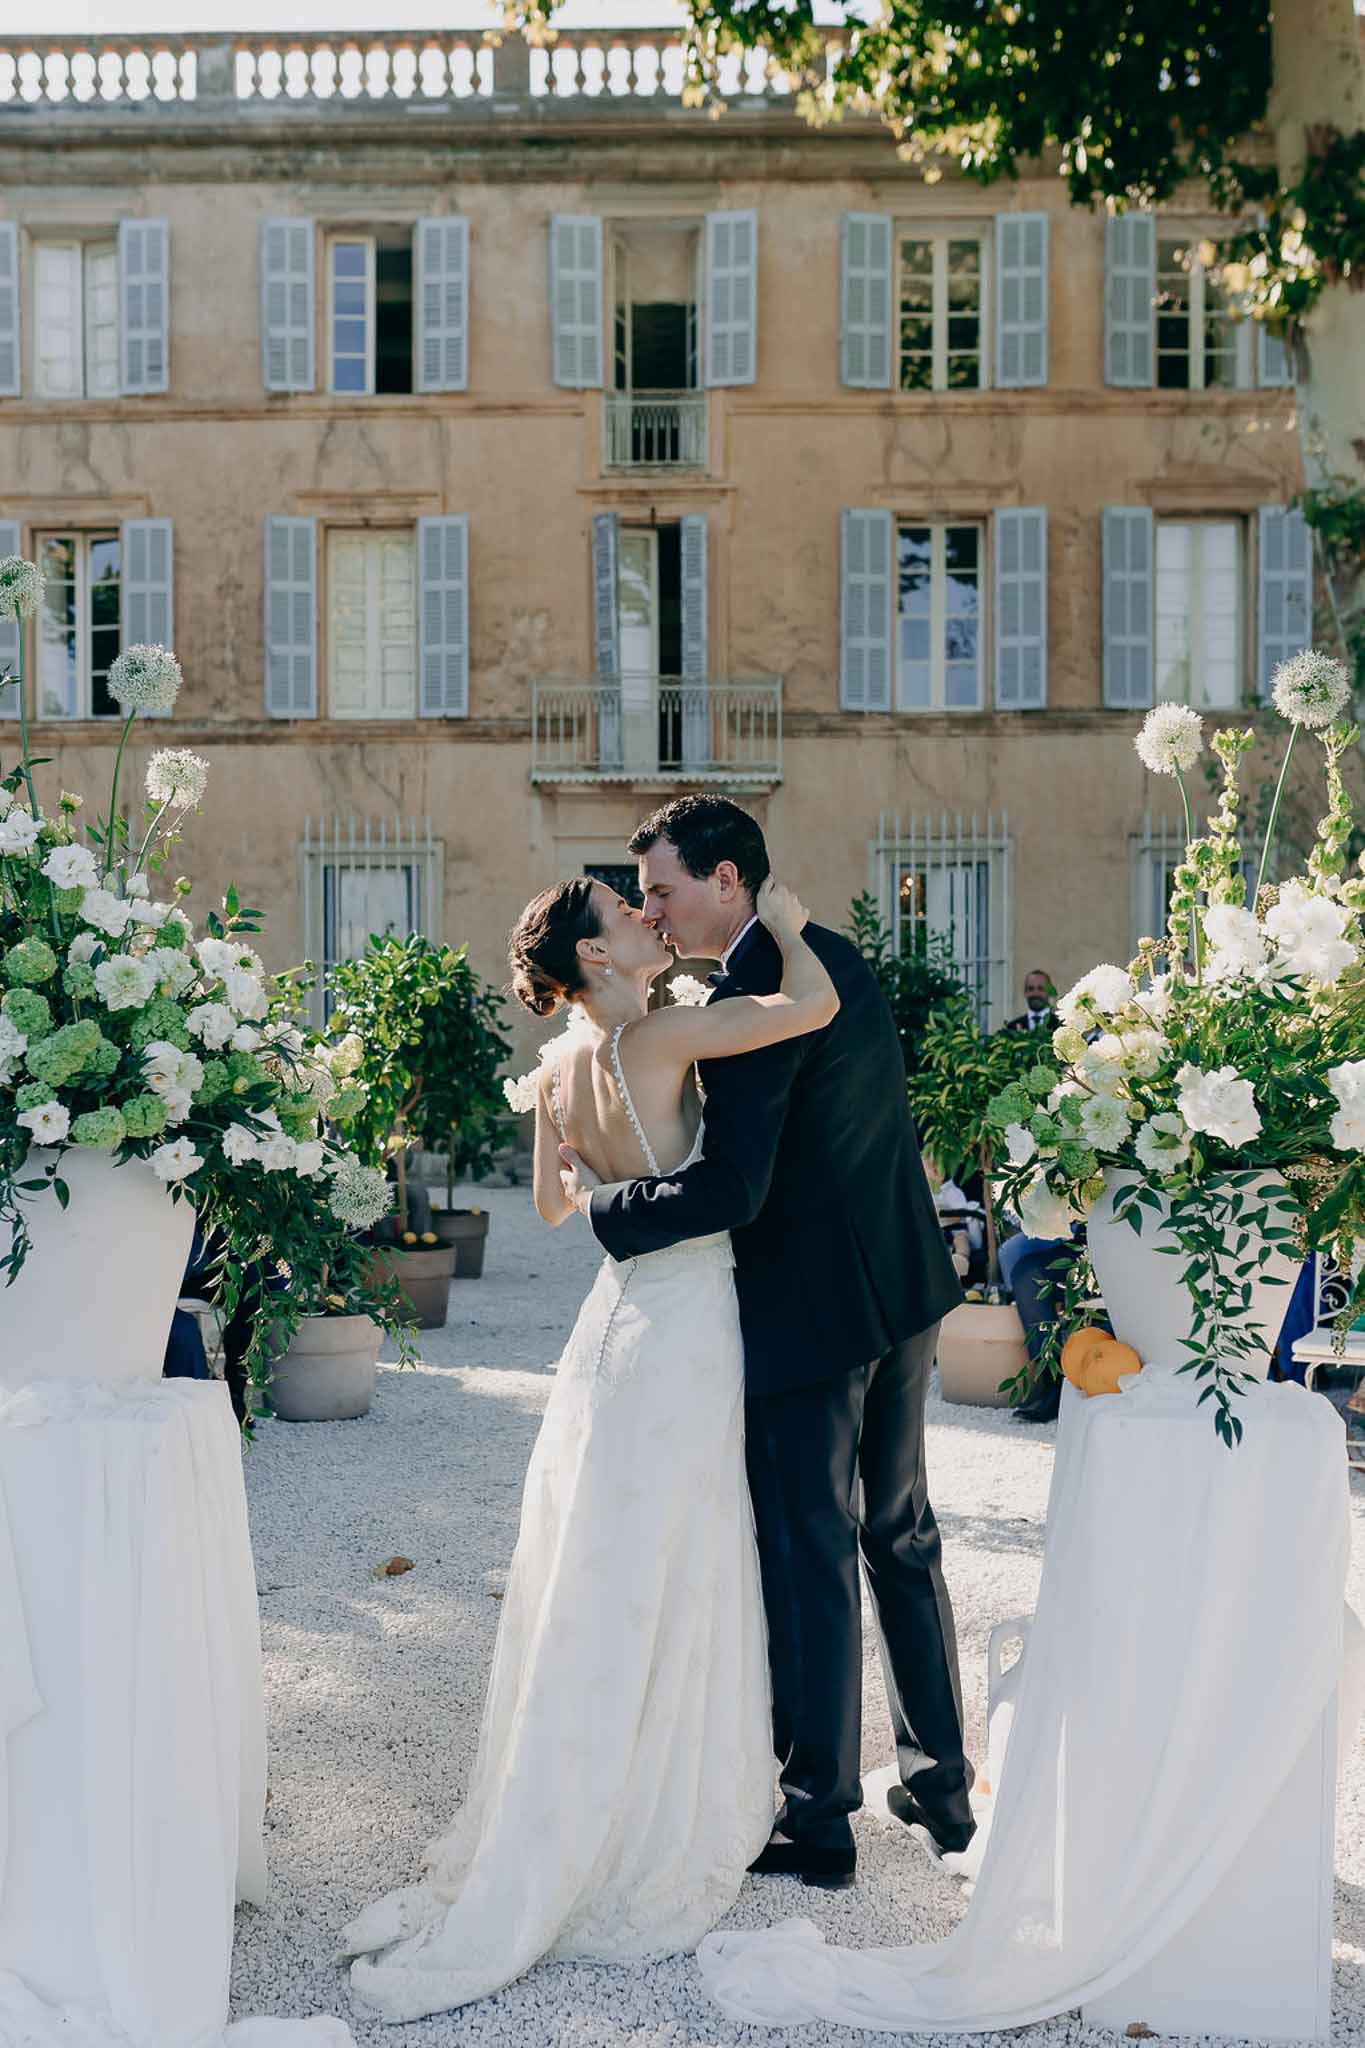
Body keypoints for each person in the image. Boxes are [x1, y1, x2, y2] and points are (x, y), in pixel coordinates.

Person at [340, 871, 838, 2020]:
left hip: (608, 1325)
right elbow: (810, 1005)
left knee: (600, 1565)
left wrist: (587, 1164)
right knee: (684, 1553)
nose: (648, 920)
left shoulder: (563, 1063)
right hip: (689, 1318)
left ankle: (574, 1797)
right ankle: (657, 1812)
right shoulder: (663, 1035)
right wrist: (794, 932)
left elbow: (559, 1209)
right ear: (599, 957)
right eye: (626, 916)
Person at [561, 794, 971, 1891]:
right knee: (902, 1531)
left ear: (726, 882)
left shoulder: (757, 996)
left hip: (807, 1312)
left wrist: (605, 1213)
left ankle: (821, 1818)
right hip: (904, 1283)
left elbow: (733, 1188)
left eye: (663, 887)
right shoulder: (823, 951)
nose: (651, 905)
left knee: (808, 1551)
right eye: (639, 895)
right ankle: (943, 1787)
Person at [1003, 967, 1058, 1036]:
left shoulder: (1059, 1026)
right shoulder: (1011, 1028)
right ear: (1025, 992)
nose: (1035, 993)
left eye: (1041, 988)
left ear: (1049, 992)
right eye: (1030, 989)